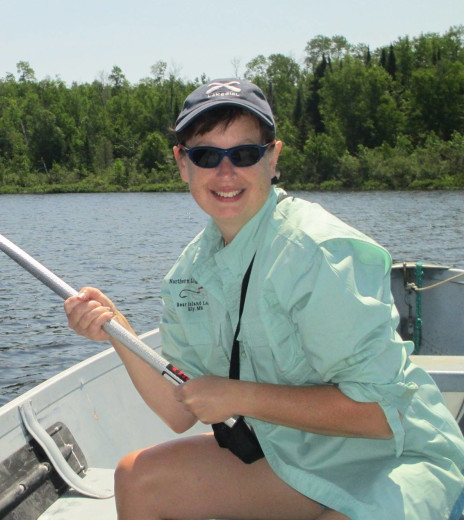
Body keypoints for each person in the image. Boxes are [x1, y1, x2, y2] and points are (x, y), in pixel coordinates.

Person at [64, 78, 464, 520]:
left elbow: (381, 417)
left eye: (245, 154)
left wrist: (241, 397)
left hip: (392, 461)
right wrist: (117, 329)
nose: (226, 172)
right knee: (137, 478)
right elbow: (179, 412)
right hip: (292, 456)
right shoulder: (188, 275)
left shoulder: (321, 252)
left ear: (272, 158)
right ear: (182, 164)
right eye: (206, 155)